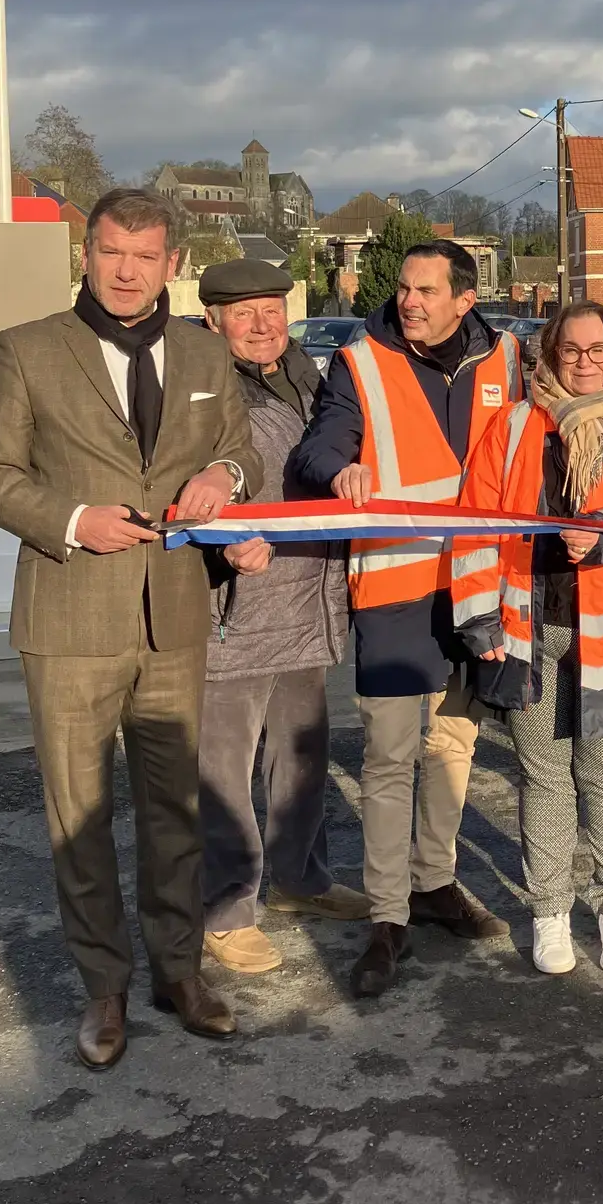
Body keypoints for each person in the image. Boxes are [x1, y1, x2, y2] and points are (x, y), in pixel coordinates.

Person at [0, 188, 263, 1070]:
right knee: (79, 817)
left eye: (146, 256)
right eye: (111, 252)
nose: (128, 272)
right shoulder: (30, 351)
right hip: (69, 614)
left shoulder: (207, 351)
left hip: (174, 615)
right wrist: (73, 519)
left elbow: (240, 448)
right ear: (85, 255)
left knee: (174, 811)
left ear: (174, 264)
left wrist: (223, 476)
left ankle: (180, 972)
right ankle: (104, 986)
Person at [293, 240, 520, 998]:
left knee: (454, 742)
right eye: (403, 289)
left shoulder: (509, 358)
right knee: (390, 756)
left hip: (479, 590)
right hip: (395, 591)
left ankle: (435, 882)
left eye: (426, 290)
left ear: (465, 298)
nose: (409, 301)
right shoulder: (360, 363)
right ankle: (388, 918)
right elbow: (319, 447)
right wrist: (338, 469)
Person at [453, 303, 603, 976]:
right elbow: (476, 520)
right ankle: (550, 911)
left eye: (598, 350)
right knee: (544, 780)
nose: (585, 362)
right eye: (570, 350)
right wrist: (479, 618)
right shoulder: (516, 425)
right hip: (532, 632)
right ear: (549, 356)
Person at [195, 259, 372, 976]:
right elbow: (179, 490)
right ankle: (227, 909)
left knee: (300, 755)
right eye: (244, 312)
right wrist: (222, 544)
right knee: (224, 769)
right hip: (233, 606)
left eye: (272, 307)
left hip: (309, 599)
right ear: (213, 320)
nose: (263, 324)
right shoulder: (198, 389)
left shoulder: (312, 376)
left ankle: (301, 879)